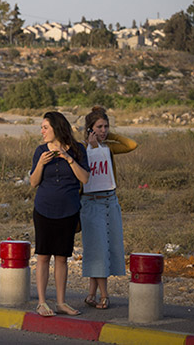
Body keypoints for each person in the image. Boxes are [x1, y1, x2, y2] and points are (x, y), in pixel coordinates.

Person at [29, 111, 89, 317]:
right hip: (44, 209)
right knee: (43, 256)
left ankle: (62, 302)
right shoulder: (40, 151)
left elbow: (85, 179)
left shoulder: (78, 149)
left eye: (45, 127)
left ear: (57, 128)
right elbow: (33, 182)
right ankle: (42, 302)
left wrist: (69, 159)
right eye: (42, 127)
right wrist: (41, 164)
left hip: (69, 210)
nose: (42, 131)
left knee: (62, 258)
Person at [81, 106, 137, 310]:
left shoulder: (109, 148)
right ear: (90, 129)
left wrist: (108, 136)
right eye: (99, 127)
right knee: (97, 250)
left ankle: (91, 294)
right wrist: (90, 140)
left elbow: (132, 144)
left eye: (106, 126)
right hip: (91, 202)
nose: (104, 130)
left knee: (107, 248)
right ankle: (104, 295)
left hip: (110, 201)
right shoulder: (82, 149)